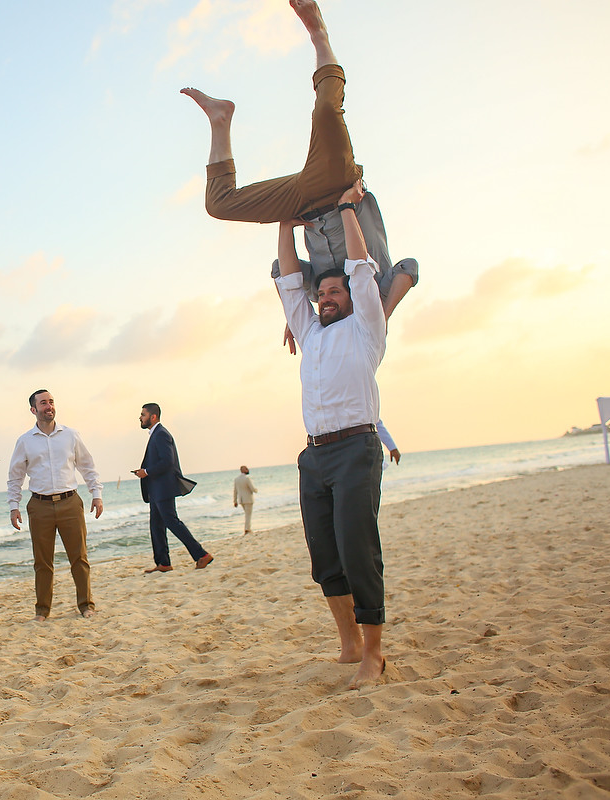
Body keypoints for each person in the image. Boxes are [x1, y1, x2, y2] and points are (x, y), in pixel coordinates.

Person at [181, 0, 416, 353]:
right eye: (330, 300)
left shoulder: (315, 293)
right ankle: (319, 35)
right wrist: (381, 315)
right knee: (325, 112)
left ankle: (220, 119)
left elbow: (281, 269)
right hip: (338, 185)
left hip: (301, 204)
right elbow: (409, 268)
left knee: (218, 204)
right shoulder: (376, 289)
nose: (326, 300)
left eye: (324, 302)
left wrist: (296, 314)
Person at [277, 177, 388, 689]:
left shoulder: (366, 327)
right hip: (314, 456)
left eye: (333, 290)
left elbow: (363, 271)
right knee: (325, 554)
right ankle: (346, 644)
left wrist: (346, 209)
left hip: (356, 450)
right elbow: (287, 283)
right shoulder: (309, 334)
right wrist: (283, 223)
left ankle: (374, 652)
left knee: (358, 548)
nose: (325, 296)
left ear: (348, 297)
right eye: (320, 292)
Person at [6, 389, 103, 621]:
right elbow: (15, 476)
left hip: (70, 502)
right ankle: (42, 611)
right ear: (33, 409)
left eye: (51, 402)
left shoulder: (71, 435)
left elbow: (87, 466)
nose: (48, 406)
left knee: (79, 558)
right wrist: (13, 505)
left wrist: (96, 494)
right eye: (43, 403)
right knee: (42, 562)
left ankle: (86, 605)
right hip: (39, 505)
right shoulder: (25, 441)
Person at [134, 403, 213, 573]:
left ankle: (201, 555)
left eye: (143, 414)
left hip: (163, 488)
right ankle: (163, 563)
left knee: (172, 522)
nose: (140, 417)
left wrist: (146, 471)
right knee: (156, 526)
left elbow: (167, 461)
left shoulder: (161, 434)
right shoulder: (156, 435)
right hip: (156, 489)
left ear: (153, 417)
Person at [232, 465, 257, 534]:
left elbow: (235, 491)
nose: (248, 470)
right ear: (243, 470)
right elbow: (252, 488)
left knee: (247, 514)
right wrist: (256, 490)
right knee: (248, 515)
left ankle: (247, 528)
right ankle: (247, 529)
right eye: (246, 469)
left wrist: (235, 501)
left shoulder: (236, 479)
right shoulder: (247, 478)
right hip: (248, 499)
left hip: (241, 500)